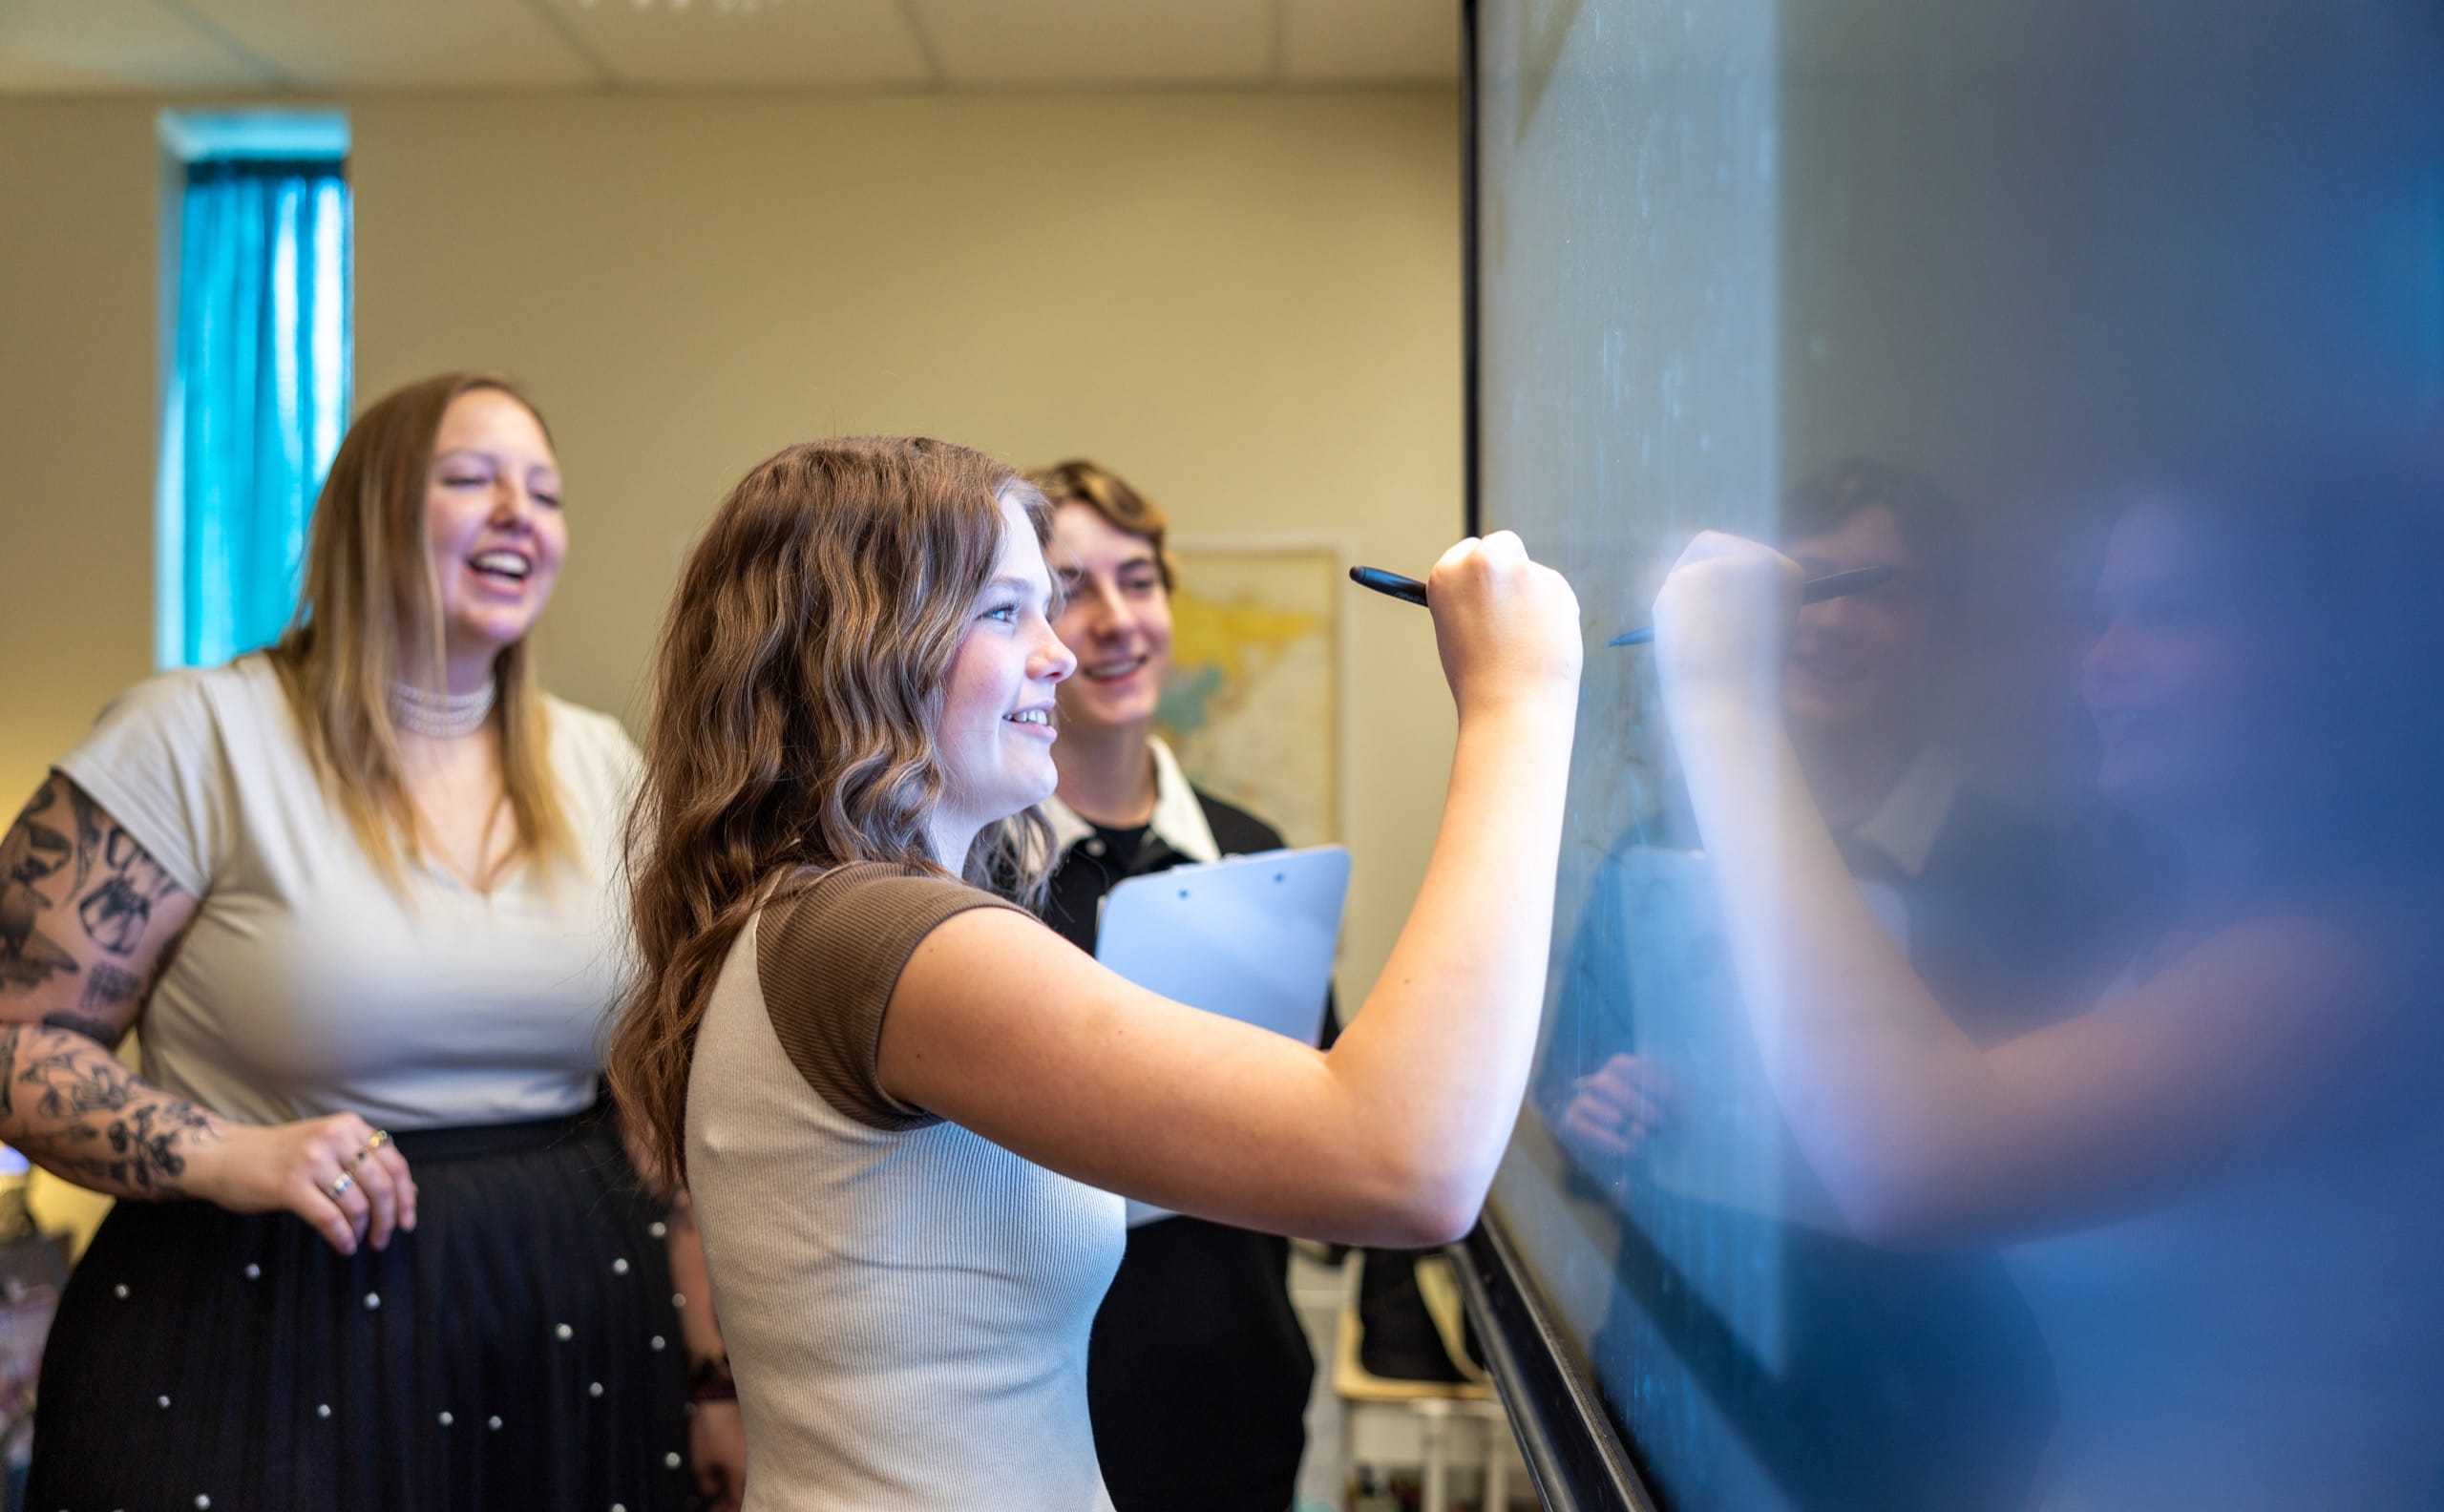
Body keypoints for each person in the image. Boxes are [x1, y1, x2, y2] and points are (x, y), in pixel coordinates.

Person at [605, 435, 1581, 1511]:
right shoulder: (877, 936)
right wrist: (1516, 703)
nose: (1061, 651)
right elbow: (1406, 1163)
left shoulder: (821, 919)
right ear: (864, 649)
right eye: (1005, 610)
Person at [1, 372, 732, 1511]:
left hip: (569, 1312)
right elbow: (15, 1039)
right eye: (470, 480)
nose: (518, 514)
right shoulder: (194, 737)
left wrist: (713, 1372)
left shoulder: (601, 763)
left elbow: (658, 1100)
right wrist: (227, 1153)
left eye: (543, 491)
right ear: (367, 514)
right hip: (256, 1316)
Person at [1649, 464, 2444, 1510]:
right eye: (2103, 616)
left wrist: (1717, 699)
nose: (2105, 662)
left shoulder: (2360, 964)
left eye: (2173, 613)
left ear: (2330, 650)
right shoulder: (2157, 950)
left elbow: (1918, 1162)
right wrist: (1669, 1124)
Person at [1538, 461, 2108, 1510]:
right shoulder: (1648, 851)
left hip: (1931, 1413)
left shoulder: (2033, 875)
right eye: (1803, 588)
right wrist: (1600, 1113)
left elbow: (2065, 1189)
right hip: (1678, 1381)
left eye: (1877, 591)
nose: (1827, 624)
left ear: (1941, 627)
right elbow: (1566, 1094)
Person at [1026, 458, 1323, 1512]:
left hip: (1241, 1406)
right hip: (1045, 1424)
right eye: (1067, 588)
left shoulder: (1254, 856)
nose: (1113, 620)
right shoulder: (969, 891)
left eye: (1139, 579)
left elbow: (1323, 1127)